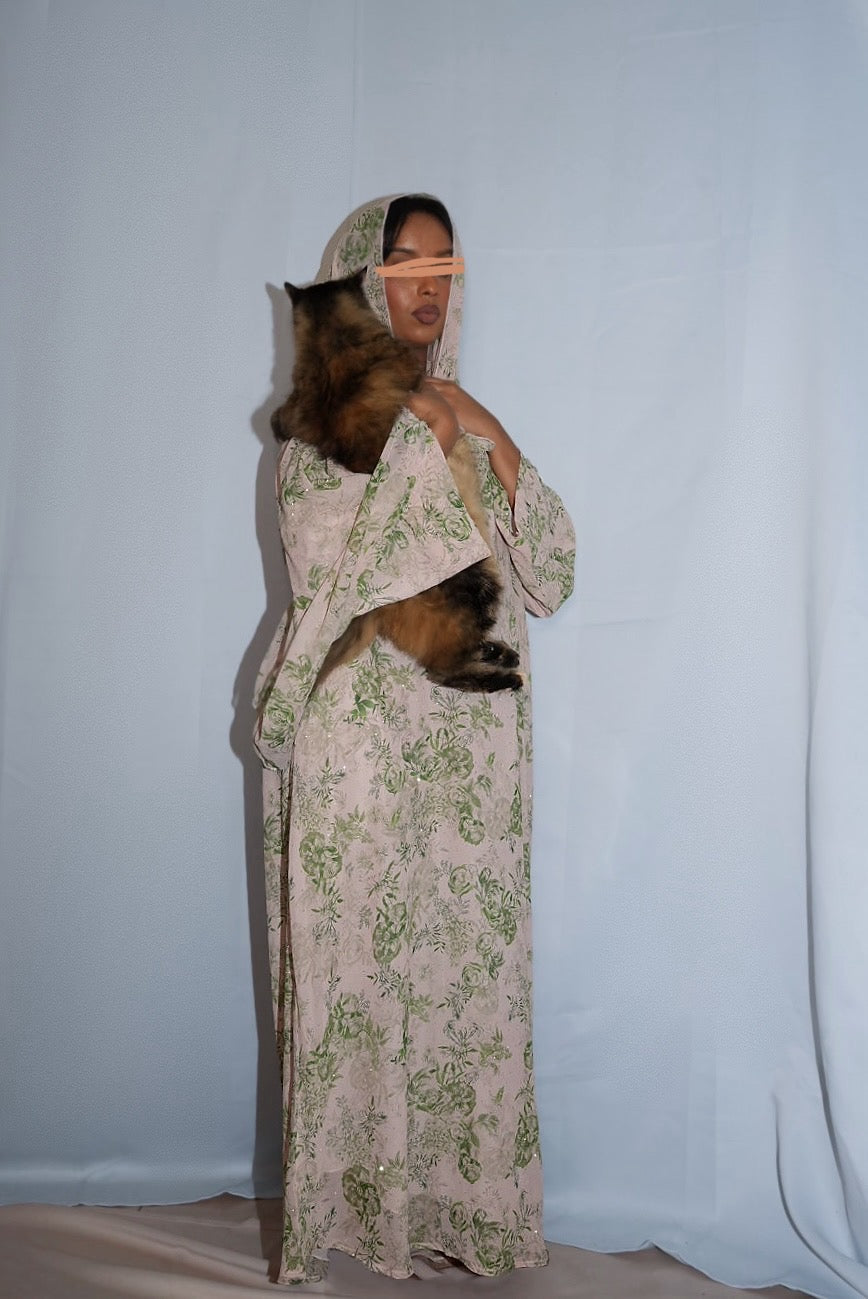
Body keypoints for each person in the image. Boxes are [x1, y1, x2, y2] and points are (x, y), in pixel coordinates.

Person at [254, 193, 575, 1284]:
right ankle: (355, 1217)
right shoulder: (321, 424)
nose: (427, 283)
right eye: (401, 263)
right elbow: (337, 574)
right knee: (358, 970)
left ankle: (460, 1209)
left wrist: (485, 428)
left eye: (444, 263)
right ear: (362, 279)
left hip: (470, 750)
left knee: (462, 975)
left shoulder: (461, 416)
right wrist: (428, 437)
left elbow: (553, 573)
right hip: (359, 738)